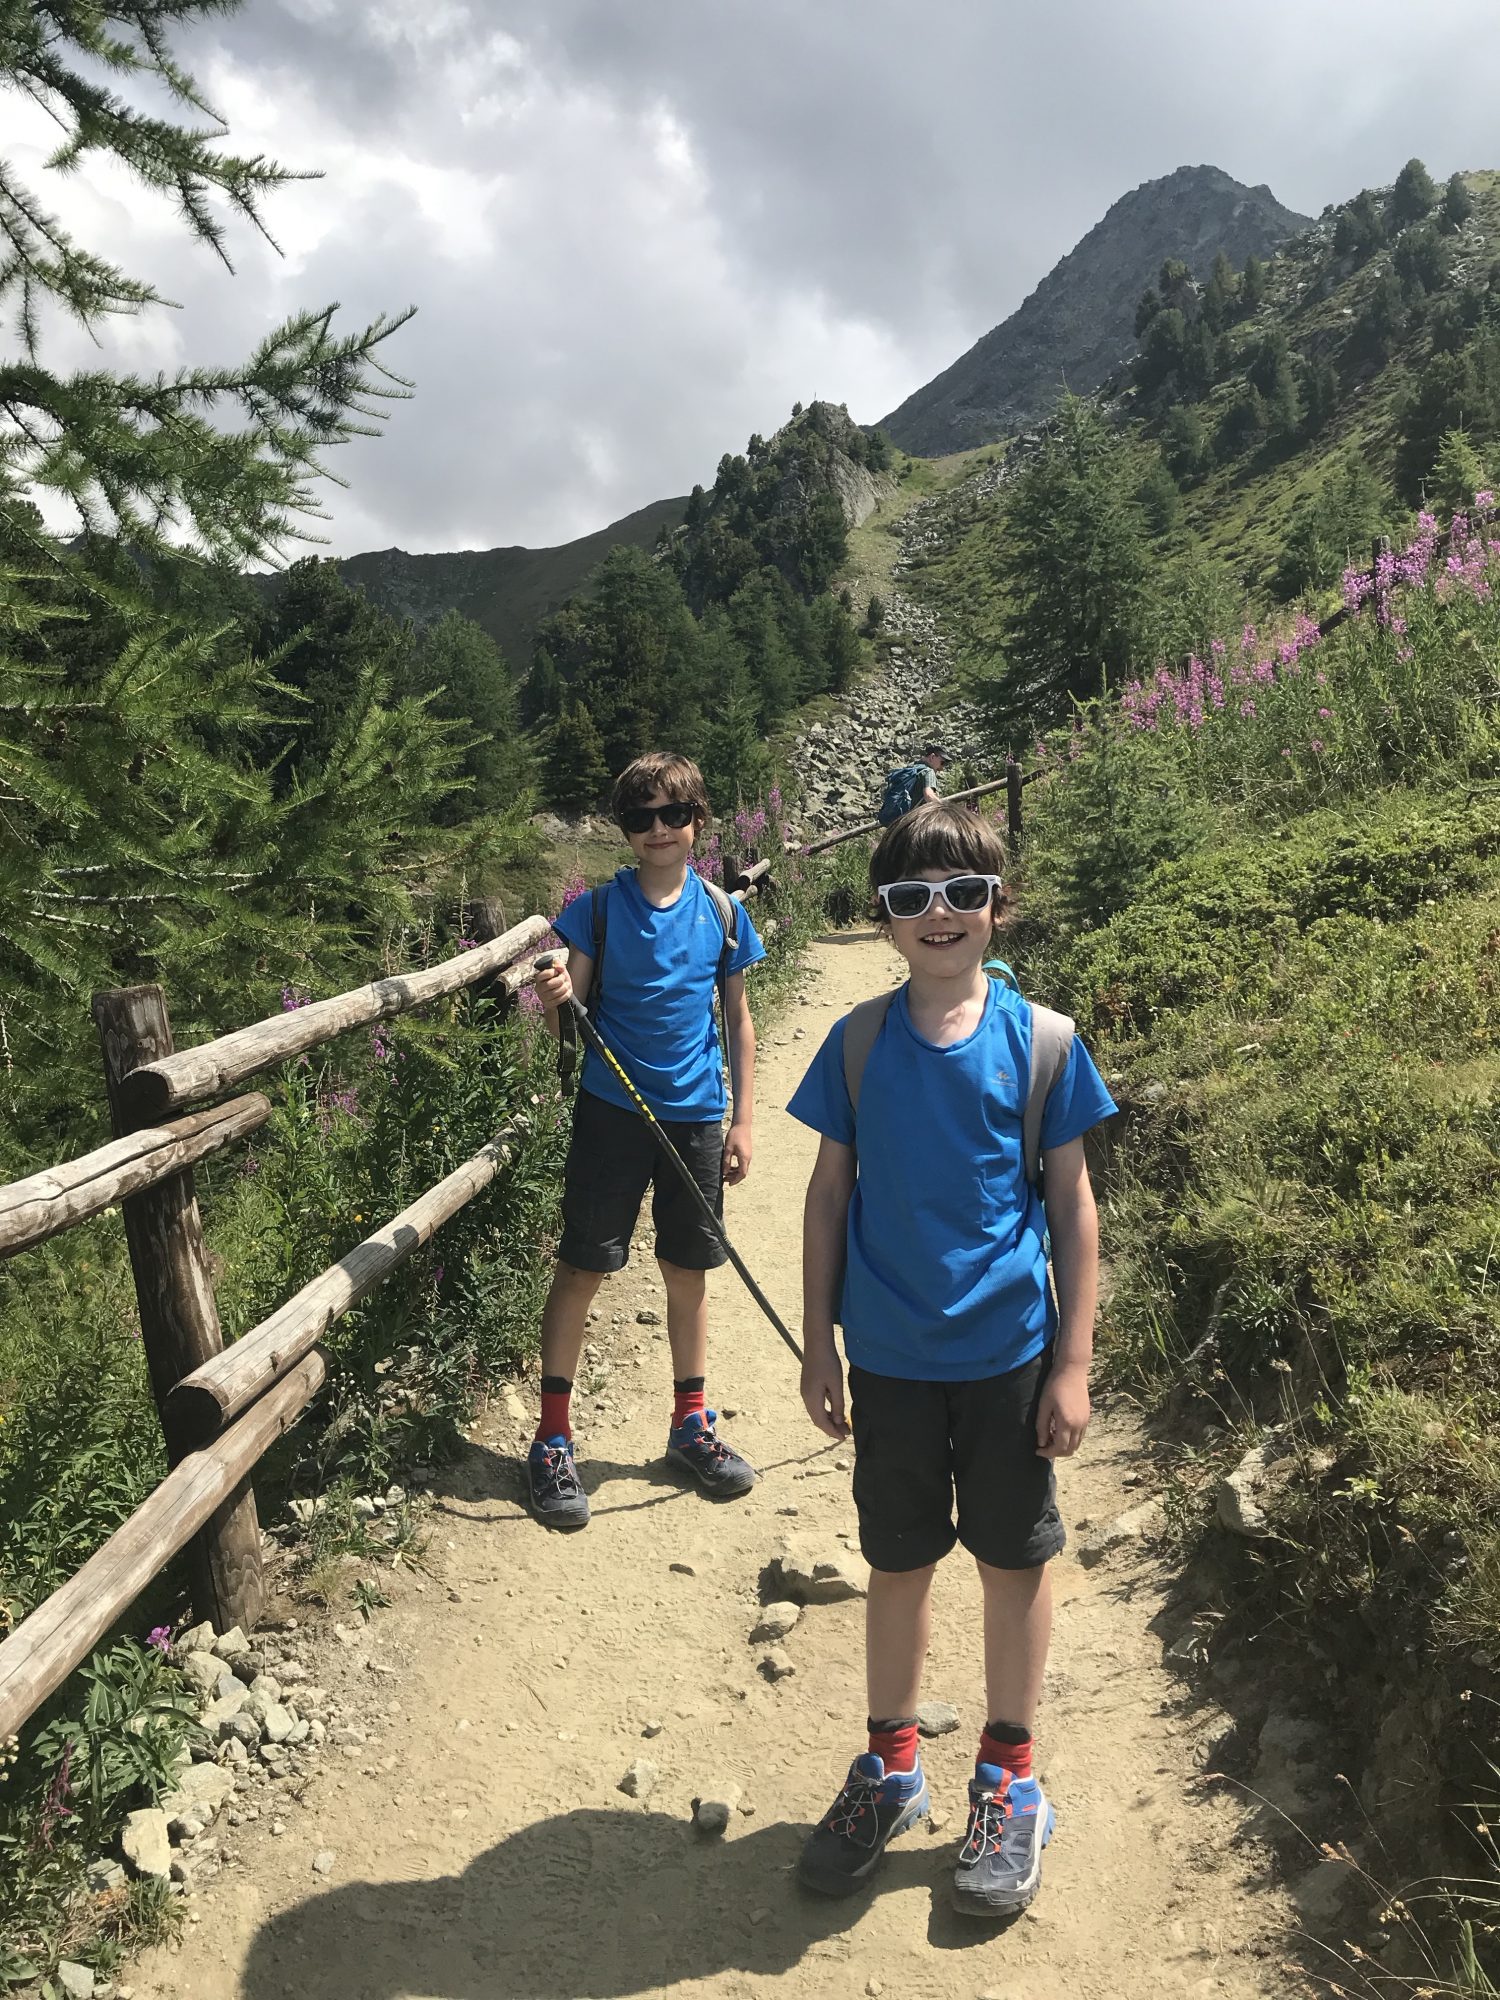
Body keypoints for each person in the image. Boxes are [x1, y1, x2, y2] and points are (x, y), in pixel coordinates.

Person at [785, 802, 1116, 1913]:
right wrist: (818, 1341)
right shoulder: (859, 1042)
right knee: (899, 1553)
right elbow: (830, 1193)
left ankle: (1010, 1774)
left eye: (963, 893)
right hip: (885, 1355)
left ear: (997, 907)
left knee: (1014, 1555)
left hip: (1009, 1352)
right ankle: (890, 1761)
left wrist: (1072, 1360)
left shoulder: (1046, 1041)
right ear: (882, 919)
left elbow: (1072, 1204)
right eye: (912, 896)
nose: (941, 914)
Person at [528, 751, 766, 1530]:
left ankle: (690, 1426)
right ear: (625, 829)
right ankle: (553, 1438)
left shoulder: (725, 915)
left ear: (699, 821)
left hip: (696, 1115)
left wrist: (744, 1118)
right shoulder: (596, 911)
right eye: (640, 818)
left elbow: (736, 1020)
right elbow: (574, 1009)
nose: (657, 829)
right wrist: (557, 992)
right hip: (611, 1111)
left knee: (689, 1271)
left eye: (672, 814)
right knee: (583, 1267)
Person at [876, 743, 946, 826]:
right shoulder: (928, 772)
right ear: (932, 757)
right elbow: (929, 795)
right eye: (942, 763)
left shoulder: (911, 768)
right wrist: (945, 808)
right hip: (913, 822)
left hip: (898, 822)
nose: (942, 768)